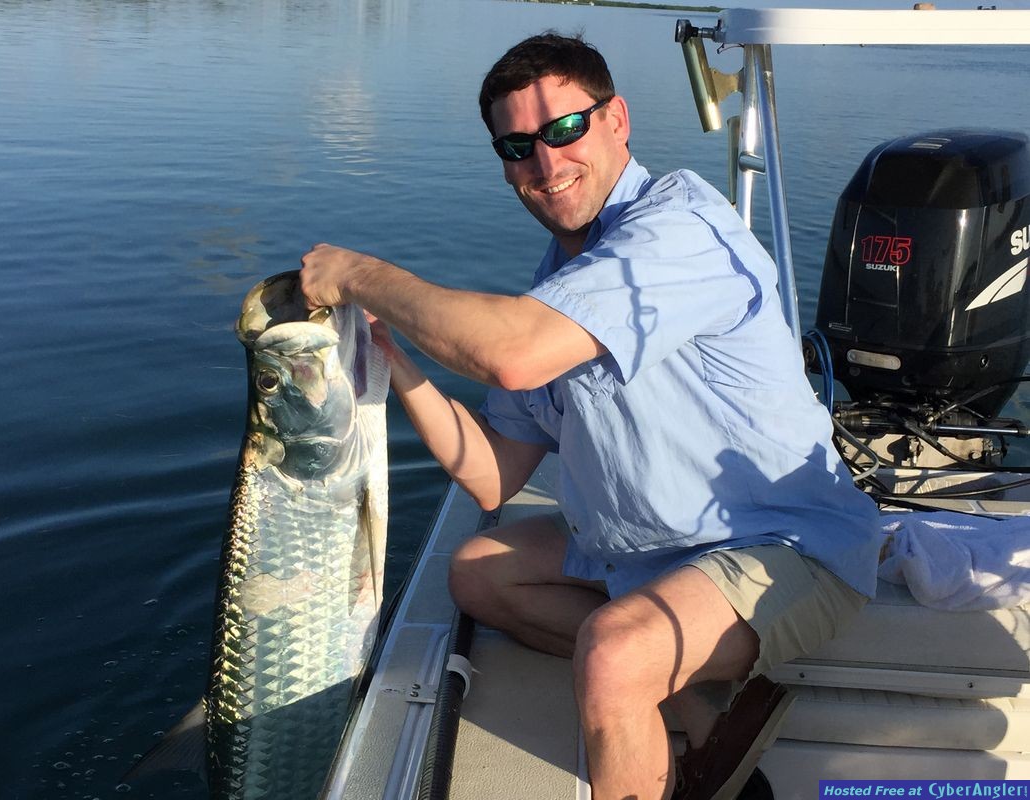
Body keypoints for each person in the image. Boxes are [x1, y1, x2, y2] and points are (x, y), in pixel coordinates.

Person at [299, 32, 883, 800]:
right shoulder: (560, 284)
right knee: (477, 574)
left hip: (781, 545)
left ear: (616, 120)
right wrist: (394, 363)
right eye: (517, 146)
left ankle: (663, 714)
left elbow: (512, 353)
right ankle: (698, 697)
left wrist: (361, 274)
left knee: (612, 655)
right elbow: (490, 475)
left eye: (564, 128)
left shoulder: (680, 230)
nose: (545, 163)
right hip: (651, 553)